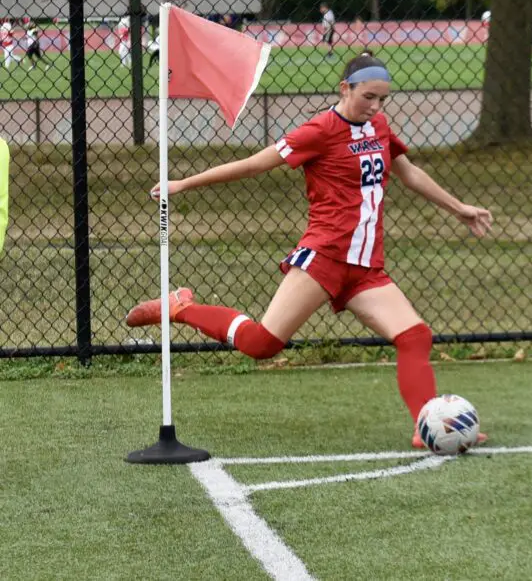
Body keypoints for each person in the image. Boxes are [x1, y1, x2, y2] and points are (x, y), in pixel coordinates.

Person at [125, 52, 494, 449]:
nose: (375, 106)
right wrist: (184, 183)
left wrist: (460, 208)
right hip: (325, 258)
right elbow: (254, 164)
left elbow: (409, 173)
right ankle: (180, 307)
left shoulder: (379, 127)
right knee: (262, 345)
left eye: (382, 99)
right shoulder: (319, 130)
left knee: (415, 336)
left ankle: (427, 428)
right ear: (344, 89)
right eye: (368, 96)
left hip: (366, 267)